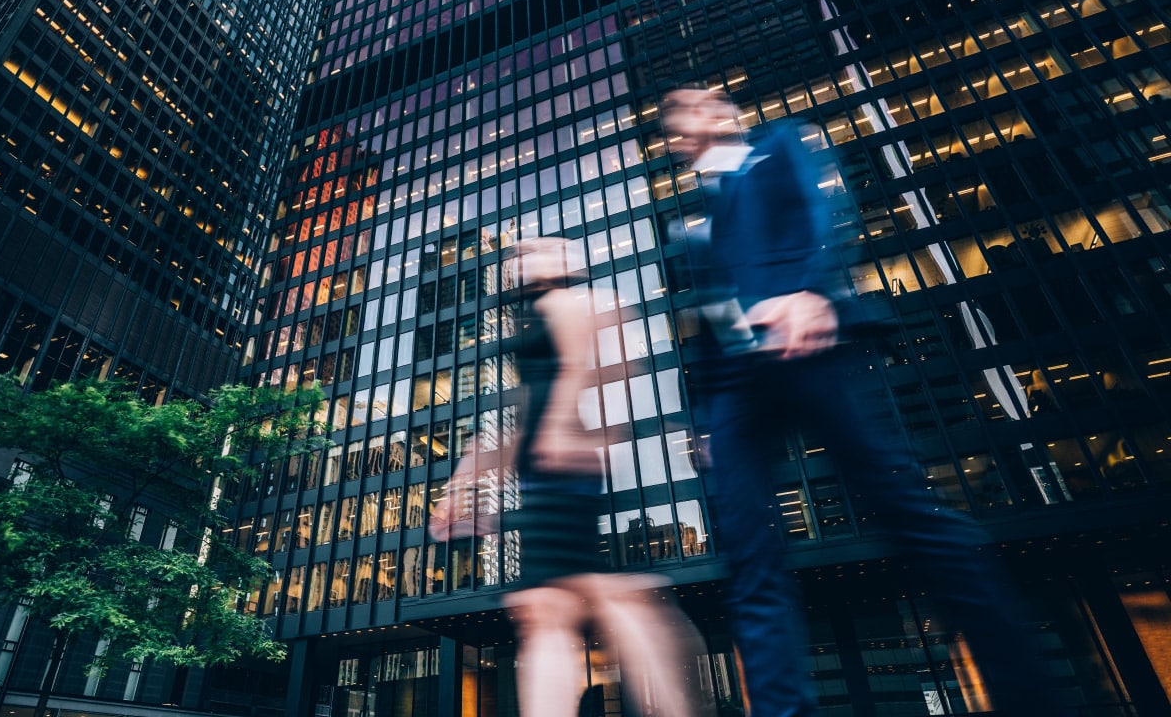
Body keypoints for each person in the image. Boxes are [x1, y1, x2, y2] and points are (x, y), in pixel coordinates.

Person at [660, 89, 1068, 717]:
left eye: (687, 108)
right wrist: (705, 422)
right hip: (738, 387)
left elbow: (828, 213)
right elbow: (709, 317)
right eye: (671, 120)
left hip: (814, 349)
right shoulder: (692, 224)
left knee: (908, 514)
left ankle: (1031, 699)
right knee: (751, 558)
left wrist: (812, 293)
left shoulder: (780, 148)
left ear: (720, 112)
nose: (677, 123)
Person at [434, 237, 705, 717]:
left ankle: (672, 693)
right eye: (520, 255)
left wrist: (558, 427)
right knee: (554, 603)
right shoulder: (538, 311)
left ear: (566, 262)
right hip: (545, 462)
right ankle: (669, 689)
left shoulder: (570, 303)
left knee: (553, 604)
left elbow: (578, 369)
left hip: (560, 459)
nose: (523, 259)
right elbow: (525, 405)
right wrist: (463, 479)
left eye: (539, 251)